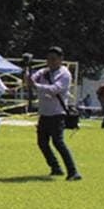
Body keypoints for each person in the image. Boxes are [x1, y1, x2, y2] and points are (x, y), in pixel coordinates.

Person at [26, 47, 80, 181]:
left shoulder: (64, 74)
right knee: (42, 143)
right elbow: (30, 80)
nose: (50, 61)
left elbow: (55, 89)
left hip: (57, 113)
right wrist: (27, 68)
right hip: (44, 113)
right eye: (48, 59)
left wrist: (36, 86)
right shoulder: (43, 71)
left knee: (58, 143)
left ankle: (73, 172)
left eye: (53, 59)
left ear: (61, 59)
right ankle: (55, 167)